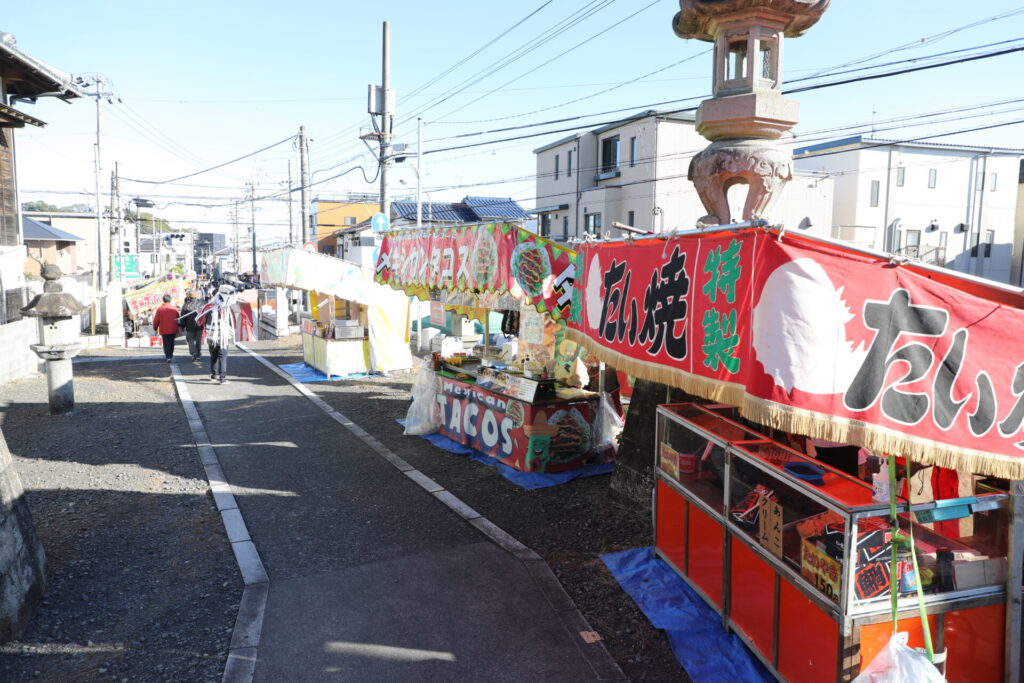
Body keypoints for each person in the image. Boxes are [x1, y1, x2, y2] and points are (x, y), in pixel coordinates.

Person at [197, 284, 237, 384]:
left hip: (211, 336)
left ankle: (214, 375)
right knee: (222, 356)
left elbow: (200, 320)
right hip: (223, 338)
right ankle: (222, 378)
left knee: (213, 356)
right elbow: (233, 323)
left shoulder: (208, 307)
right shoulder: (227, 308)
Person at [151, 294, 180, 363]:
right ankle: (171, 354)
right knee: (171, 342)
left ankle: (168, 356)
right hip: (173, 329)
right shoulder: (174, 308)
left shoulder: (160, 309)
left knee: (166, 343)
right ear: (170, 300)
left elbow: (156, 320)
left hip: (164, 329)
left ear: (163, 300)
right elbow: (178, 317)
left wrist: (155, 327)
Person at [179, 289, 205, 362]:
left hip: (189, 326)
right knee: (198, 339)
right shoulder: (202, 304)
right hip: (199, 324)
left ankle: (193, 352)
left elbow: (183, 316)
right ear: (197, 297)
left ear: (189, 297)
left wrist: (182, 325)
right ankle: (198, 353)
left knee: (191, 339)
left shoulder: (186, 305)